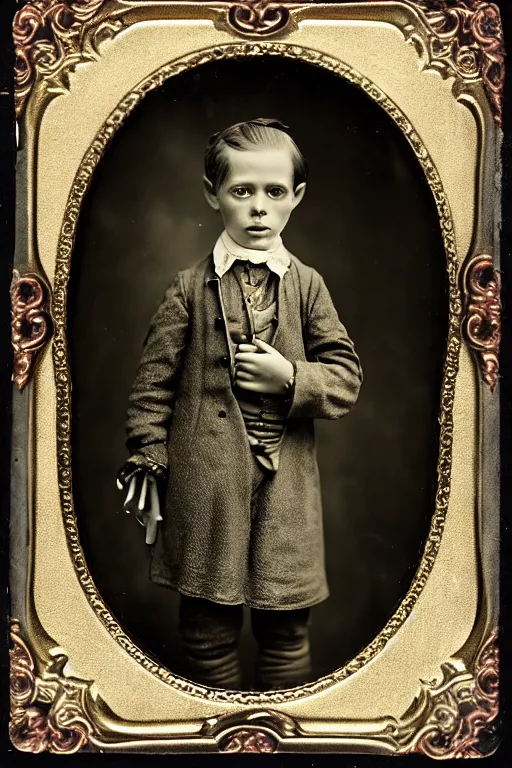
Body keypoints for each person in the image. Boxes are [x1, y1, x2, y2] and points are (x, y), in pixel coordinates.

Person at [117, 118, 362, 691]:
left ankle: (279, 734)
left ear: (296, 199)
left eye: (274, 192)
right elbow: (151, 387)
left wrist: (290, 377)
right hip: (208, 486)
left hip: (287, 487)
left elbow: (346, 379)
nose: (258, 208)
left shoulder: (308, 286)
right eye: (242, 191)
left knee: (285, 627)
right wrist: (149, 456)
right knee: (207, 627)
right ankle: (219, 735)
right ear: (212, 194)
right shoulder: (187, 288)